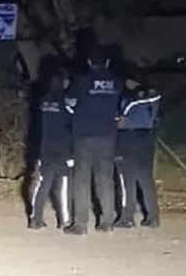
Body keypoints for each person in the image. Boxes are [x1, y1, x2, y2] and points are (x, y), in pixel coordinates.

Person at [63, 46, 124, 235]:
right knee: (105, 179)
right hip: (108, 135)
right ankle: (108, 221)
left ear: (89, 62)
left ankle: (81, 224)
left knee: (82, 179)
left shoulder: (81, 81)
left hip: (84, 135)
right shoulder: (117, 82)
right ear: (107, 62)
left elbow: (69, 102)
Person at [28, 68, 73, 230]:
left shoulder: (44, 101)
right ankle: (65, 220)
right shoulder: (67, 102)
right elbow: (71, 124)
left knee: (42, 185)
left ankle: (35, 219)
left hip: (45, 148)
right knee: (62, 187)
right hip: (63, 150)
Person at [114, 86, 161, 228]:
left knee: (127, 181)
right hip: (146, 140)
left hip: (129, 140)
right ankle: (153, 217)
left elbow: (121, 123)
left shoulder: (129, 101)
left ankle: (127, 217)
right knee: (146, 180)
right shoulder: (152, 101)